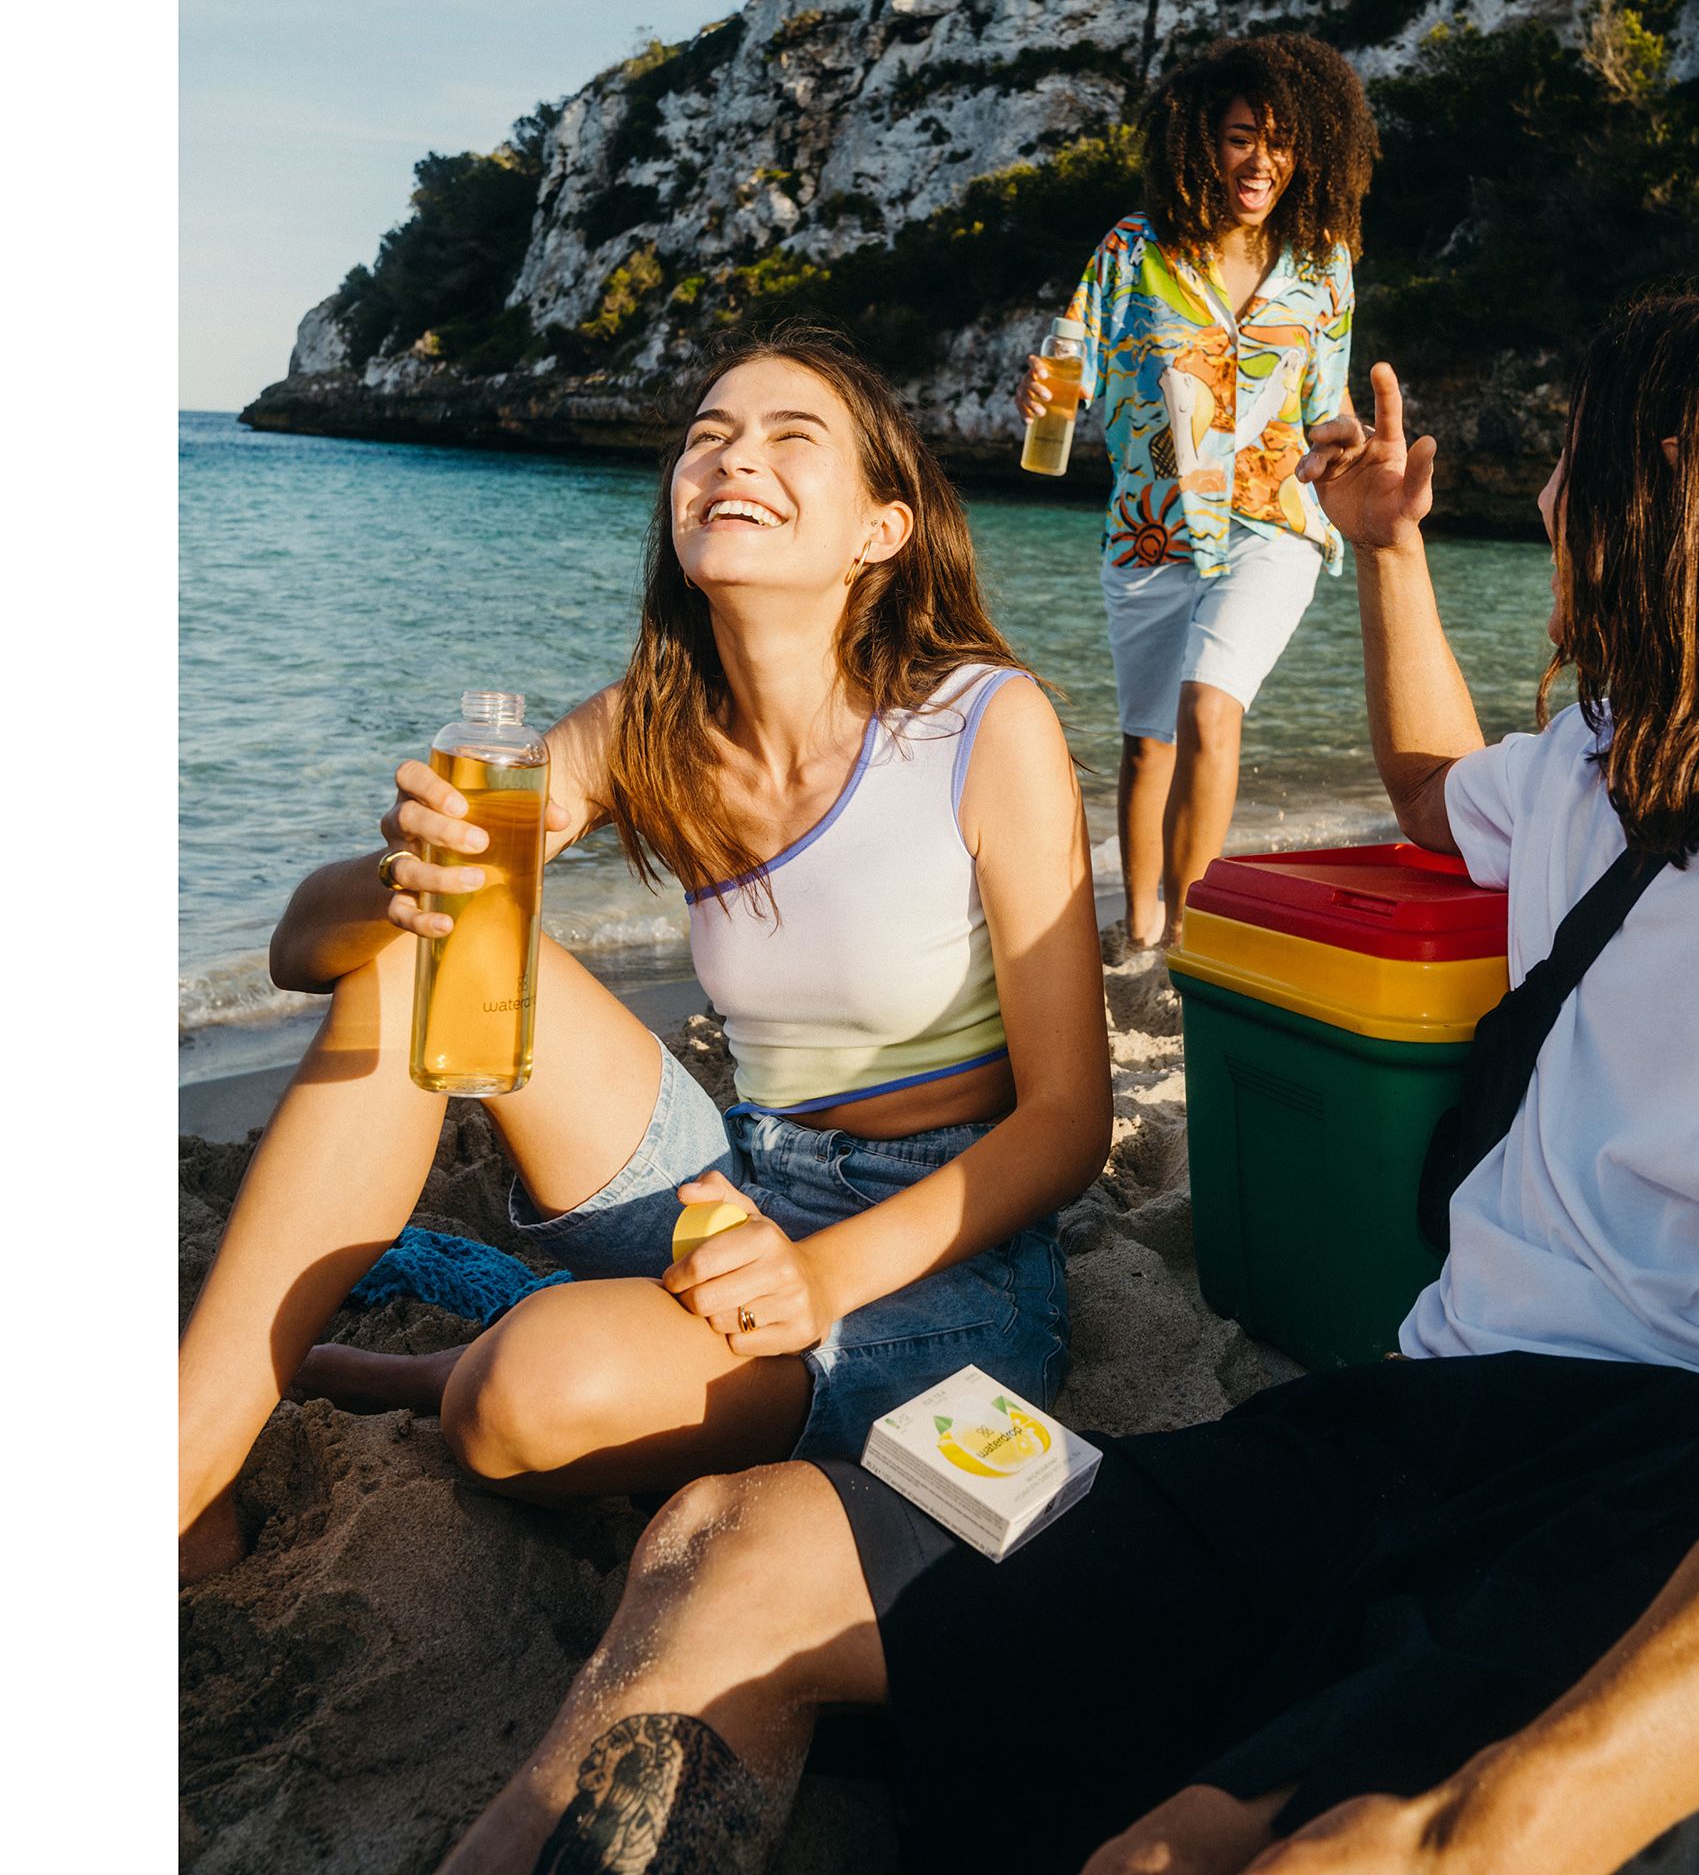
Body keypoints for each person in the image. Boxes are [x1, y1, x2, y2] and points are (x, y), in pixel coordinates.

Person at [438, 292, 1699, 1875]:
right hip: (1371, 1434)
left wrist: (1501, 1824)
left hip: (1637, 1490)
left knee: (1178, 1851)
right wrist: (1383, 549)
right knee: (736, 1544)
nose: (1553, 498)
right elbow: (1442, 793)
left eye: (1574, 463)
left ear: (1677, 503)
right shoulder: (1615, 761)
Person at [177, 327, 1113, 1581]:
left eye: (792, 438)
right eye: (707, 436)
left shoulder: (982, 724)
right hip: (734, 1178)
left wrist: (819, 1277)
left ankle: (426, 1373)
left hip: (935, 1255)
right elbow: (305, 951)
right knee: (427, 954)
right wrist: (411, 872)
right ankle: (189, 1468)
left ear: (879, 532)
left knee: (516, 1398)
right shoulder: (646, 726)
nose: (732, 458)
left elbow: (1069, 1122)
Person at [1017, 33, 1378, 948]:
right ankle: (1140, 935)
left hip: (1273, 521)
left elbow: (1322, 400)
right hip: (1152, 528)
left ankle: (1192, 933)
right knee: (1148, 743)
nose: (1263, 161)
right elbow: (1073, 372)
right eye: (1242, 136)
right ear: (1201, 143)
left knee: (1210, 706)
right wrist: (1041, 397)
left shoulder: (1323, 260)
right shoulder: (1132, 253)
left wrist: (1355, 445)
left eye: (1283, 140)